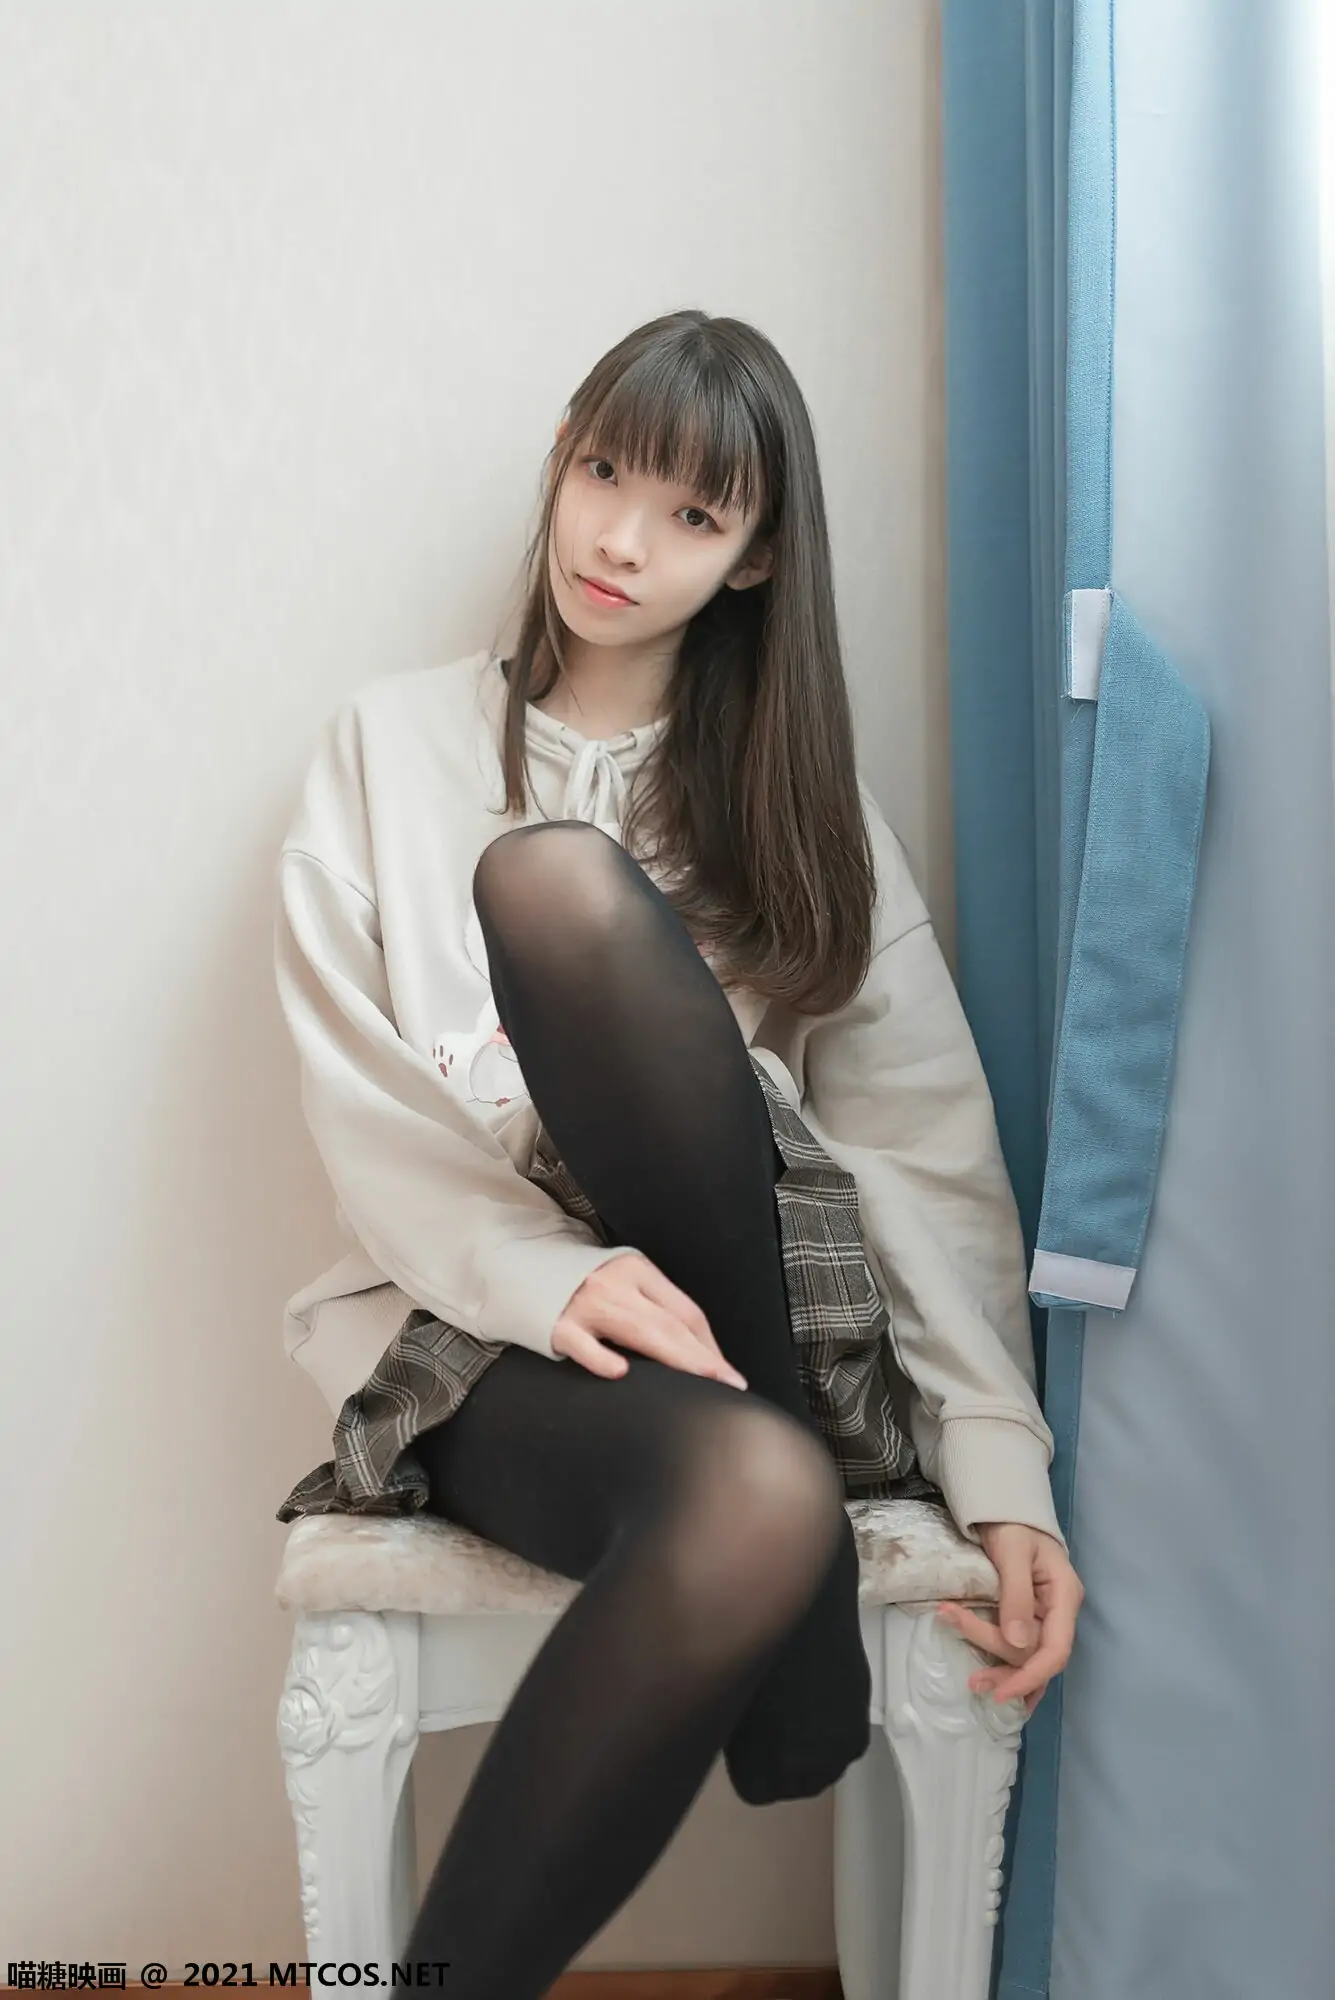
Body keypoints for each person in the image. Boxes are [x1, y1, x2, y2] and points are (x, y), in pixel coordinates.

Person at [272, 308, 1084, 1995]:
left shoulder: (801, 805)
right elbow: (363, 1106)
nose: (621, 540)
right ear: (561, 465)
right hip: (478, 1340)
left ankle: (786, 1508)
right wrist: (547, 1277)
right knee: (763, 1495)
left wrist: (999, 1465)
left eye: (692, 513)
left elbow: (920, 1151)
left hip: (749, 1307)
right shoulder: (388, 743)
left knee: (556, 897)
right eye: (602, 473)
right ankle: (801, 1606)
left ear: (755, 556)